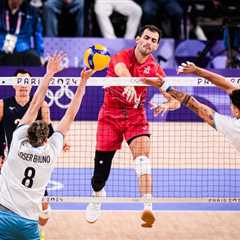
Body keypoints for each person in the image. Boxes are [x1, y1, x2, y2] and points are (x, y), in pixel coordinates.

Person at [85, 25, 180, 228]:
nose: (149, 42)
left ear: (156, 46)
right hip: (110, 116)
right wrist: (129, 83)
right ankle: (97, 194)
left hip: (136, 117)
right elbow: (121, 70)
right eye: (146, 37)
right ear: (138, 39)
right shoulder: (121, 56)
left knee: (143, 161)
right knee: (100, 171)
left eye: (154, 40)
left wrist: (169, 104)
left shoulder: (154, 69)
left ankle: (148, 207)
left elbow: (175, 98)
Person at [0, 52, 94, 239]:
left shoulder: (16, 143)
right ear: (46, 140)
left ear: (25, 132)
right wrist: (83, 82)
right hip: (28, 223)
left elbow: (34, 104)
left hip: (3, 217)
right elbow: (69, 115)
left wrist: (49, 72)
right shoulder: (51, 152)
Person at [0, 69, 55, 234]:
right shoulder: (3, 104)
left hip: (35, 158)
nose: (23, 86)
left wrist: (61, 141)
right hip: (11, 159)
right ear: (14, 84)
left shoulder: (41, 104)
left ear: (31, 86)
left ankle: (39, 219)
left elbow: (49, 128)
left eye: (27, 82)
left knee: (43, 210)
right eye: (20, 82)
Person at [145, 61, 240, 153]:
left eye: (231, 105)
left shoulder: (233, 127)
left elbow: (195, 106)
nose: (230, 107)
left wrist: (165, 86)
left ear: (237, 111)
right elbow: (230, 88)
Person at [0, 0, 44, 66]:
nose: (16, 1)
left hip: (23, 49)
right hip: (1, 47)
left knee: (34, 58)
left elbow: (37, 34)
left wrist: (40, 54)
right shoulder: (1, 9)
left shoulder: (32, 11)